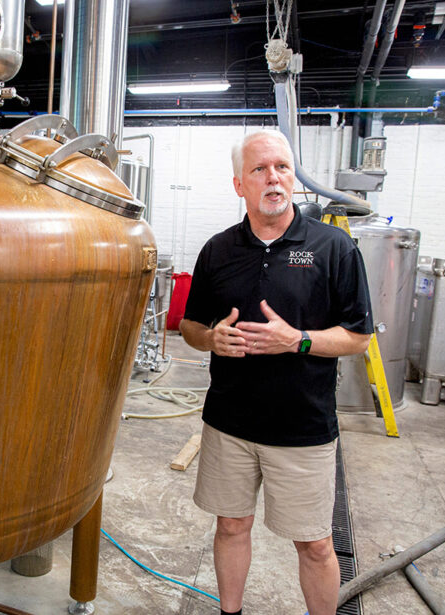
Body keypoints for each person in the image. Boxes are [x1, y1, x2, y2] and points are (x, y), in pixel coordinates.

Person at [178, 130, 373, 615]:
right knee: (231, 526)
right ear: (239, 184)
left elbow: (358, 336)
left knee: (315, 545)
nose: (274, 178)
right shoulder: (217, 251)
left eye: (283, 167)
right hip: (229, 425)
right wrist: (210, 339)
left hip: (303, 429)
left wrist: (299, 340)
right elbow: (188, 325)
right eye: (260, 169)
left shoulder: (333, 248)